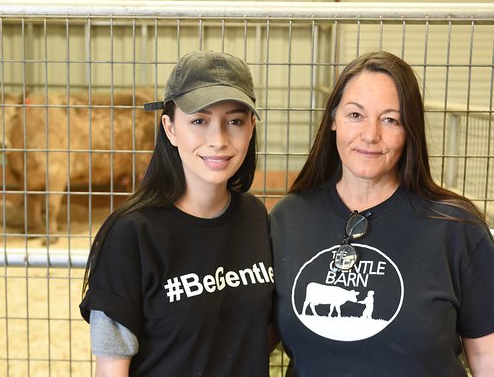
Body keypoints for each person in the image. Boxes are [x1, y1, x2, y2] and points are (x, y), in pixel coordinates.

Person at [269, 51, 494, 376]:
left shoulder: (456, 228)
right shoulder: (288, 219)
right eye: (355, 115)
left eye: (390, 119)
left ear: (409, 131)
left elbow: (487, 356)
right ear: (333, 120)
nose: (371, 134)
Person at [80, 50, 274, 376]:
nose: (218, 140)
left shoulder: (255, 217)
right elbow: (112, 366)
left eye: (235, 121)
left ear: (251, 127)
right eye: (199, 120)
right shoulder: (131, 235)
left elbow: (254, 336)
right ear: (169, 128)